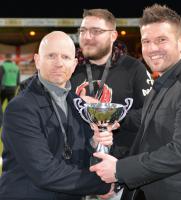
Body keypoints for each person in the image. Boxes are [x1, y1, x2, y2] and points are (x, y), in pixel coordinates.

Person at [90, 4, 181, 200]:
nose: (152, 49)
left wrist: (119, 170)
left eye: (161, 40)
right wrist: (112, 117)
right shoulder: (164, 83)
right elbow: (145, 119)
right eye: (146, 41)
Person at [0, 31, 115, 200]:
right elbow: (44, 171)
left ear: (75, 64)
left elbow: (82, 158)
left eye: (66, 57)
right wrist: (102, 184)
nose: (59, 63)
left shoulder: (80, 105)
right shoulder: (20, 108)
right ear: (38, 61)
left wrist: (96, 142)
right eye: (51, 56)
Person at [71, 9, 153, 161]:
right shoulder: (69, 67)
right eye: (83, 31)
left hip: (120, 165)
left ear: (113, 36)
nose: (87, 37)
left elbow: (152, 113)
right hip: (74, 166)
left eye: (96, 31)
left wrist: (113, 116)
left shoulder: (134, 69)